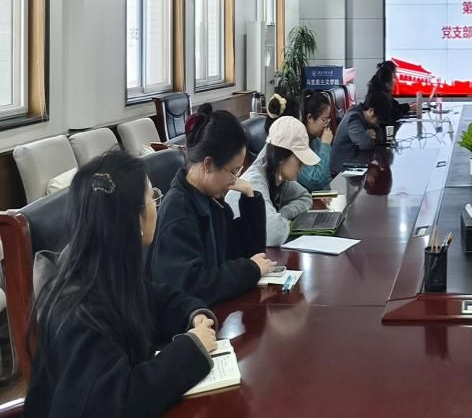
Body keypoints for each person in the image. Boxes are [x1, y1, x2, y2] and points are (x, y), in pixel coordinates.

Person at [25, 151, 218, 417]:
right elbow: (114, 403)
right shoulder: (78, 311)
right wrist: (191, 349)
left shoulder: (108, 270)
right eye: (152, 197)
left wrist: (193, 314)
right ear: (134, 220)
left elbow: (161, 300)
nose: (156, 204)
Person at [148, 104, 276, 306]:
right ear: (208, 165)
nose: (235, 179)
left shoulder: (211, 200)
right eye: (233, 171)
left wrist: (250, 197)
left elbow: (252, 255)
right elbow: (192, 287)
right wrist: (250, 270)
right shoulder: (179, 212)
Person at [230, 117, 317, 246]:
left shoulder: (279, 177)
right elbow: (274, 235)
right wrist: (281, 222)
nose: (303, 165)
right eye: (299, 160)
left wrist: (283, 214)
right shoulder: (255, 182)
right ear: (281, 158)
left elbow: (305, 197)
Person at [262, 91, 334, 192]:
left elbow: (326, 177)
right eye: (324, 119)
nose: (326, 125)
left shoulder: (315, 141)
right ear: (309, 118)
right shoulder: (293, 144)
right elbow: (315, 181)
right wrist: (325, 145)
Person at [330, 93, 391, 171]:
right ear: (371, 111)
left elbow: (380, 135)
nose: (378, 123)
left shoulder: (364, 116)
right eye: (378, 120)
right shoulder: (353, 118)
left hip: (355, 163)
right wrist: (367, 135)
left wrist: (367, 135)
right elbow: (366, 144)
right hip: (342, 170)